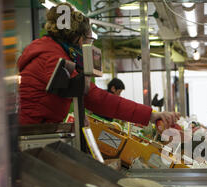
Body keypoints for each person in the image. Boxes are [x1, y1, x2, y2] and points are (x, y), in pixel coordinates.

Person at [17, 3, 178, 128]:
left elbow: (78, 95)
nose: (90, 44)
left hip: (41, 130)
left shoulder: (54, 51)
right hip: (33, 135)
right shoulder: (52, 57)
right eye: (90, 39)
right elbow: (95, 98)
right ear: (80, 40)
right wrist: (149, 115)